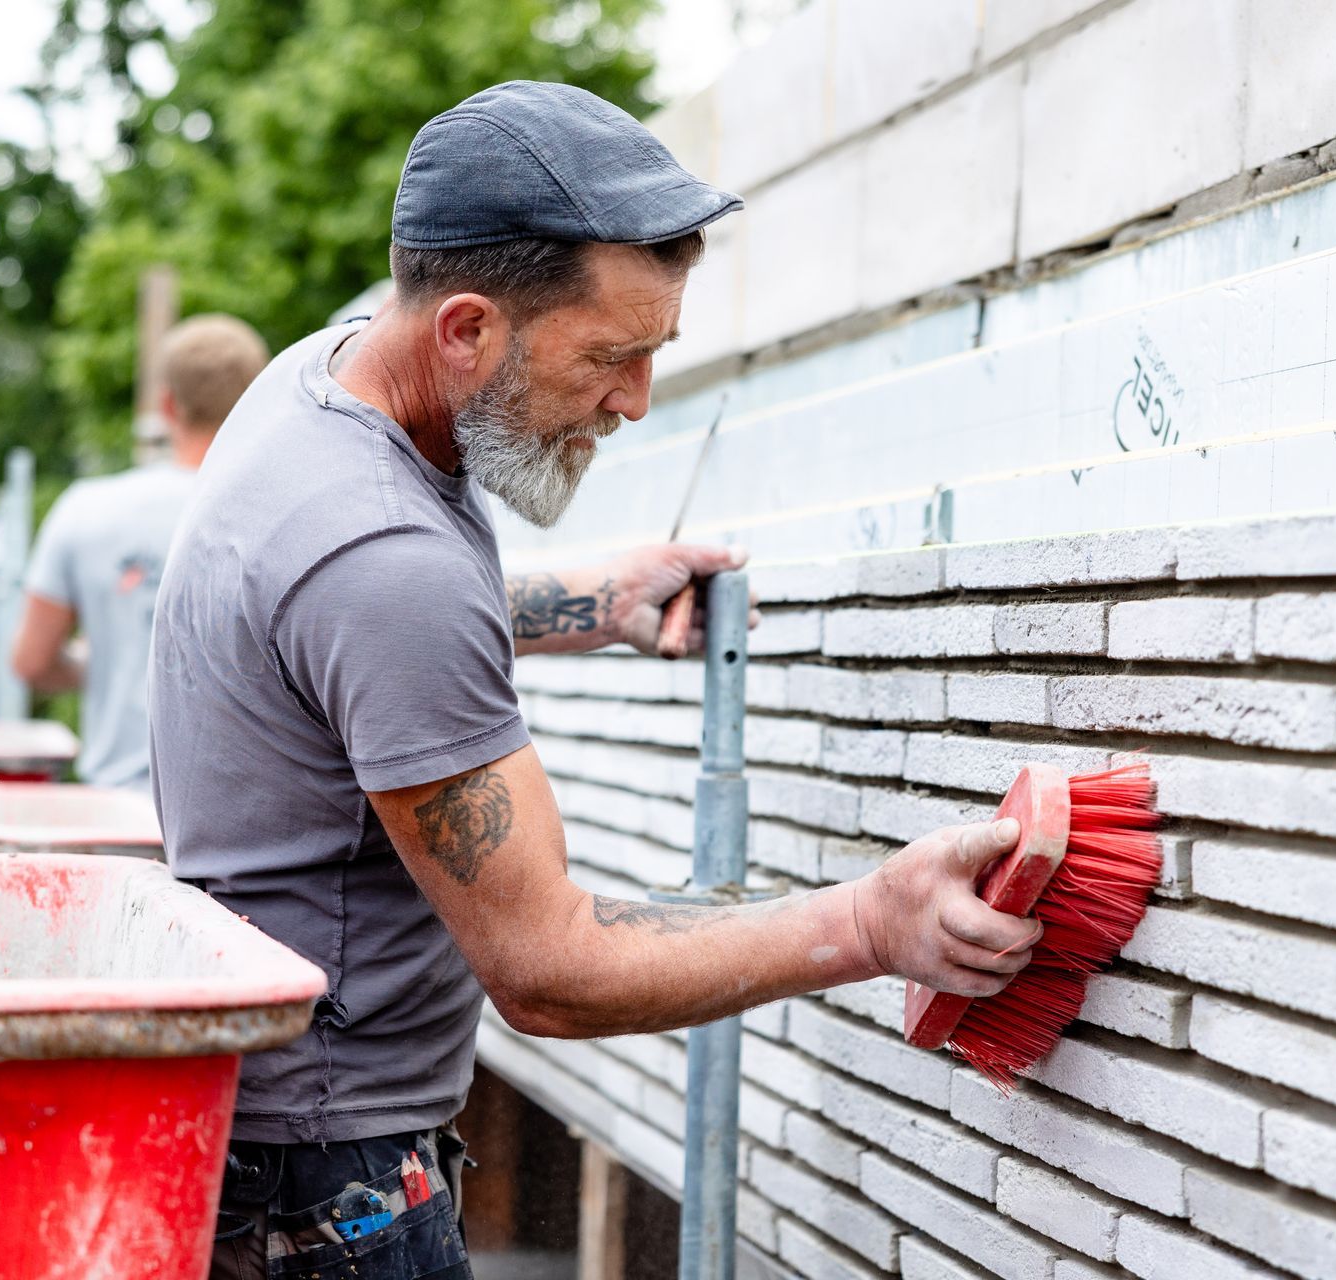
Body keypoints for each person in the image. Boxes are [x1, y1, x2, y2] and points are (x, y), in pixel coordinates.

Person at [148, 82, 1041, 1280]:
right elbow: (550, 970)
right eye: (612, 357)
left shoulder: (329, 380)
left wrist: (585, 601)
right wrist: (870, 921)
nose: (634, 400)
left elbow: (325, 642)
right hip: (324, 1195)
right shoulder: (380, 562)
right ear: (464, 327)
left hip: (266, 1154)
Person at [13, 314, 270, 790]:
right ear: (256, 402)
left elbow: (31, 661)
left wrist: (112, 661)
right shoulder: (282, 511)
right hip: (244, 825)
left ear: (166, 405)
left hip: (114, 808)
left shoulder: (85, 508)